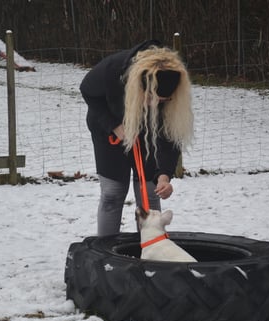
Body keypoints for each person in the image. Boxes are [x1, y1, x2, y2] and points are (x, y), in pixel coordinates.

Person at [80, 40, 194, 236]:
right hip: (110, 128)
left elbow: (170, 138)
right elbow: (87, 91)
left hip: (149, 133)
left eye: (163, 101)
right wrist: (113, 125)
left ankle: (151, 247)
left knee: (150, 192)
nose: (155, 105)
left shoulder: (171, 95)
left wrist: (164, 176)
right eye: (151, 98)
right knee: (112, 193)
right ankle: (105, 248)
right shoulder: (112, 70)